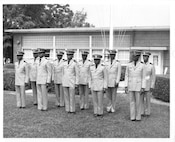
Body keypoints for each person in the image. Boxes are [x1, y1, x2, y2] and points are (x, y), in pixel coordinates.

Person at [125, 50, 146, 121]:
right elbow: (126, 76)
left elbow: (143, 77)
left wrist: (143, 87)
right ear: (132, 56)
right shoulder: (129, 65)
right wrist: (126, 86)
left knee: (138, 102)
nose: (135, 57)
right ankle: (132, 116)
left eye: (137, 56)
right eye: (134, 56)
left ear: (139, 57)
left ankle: (138, 117)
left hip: (138, 85)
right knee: (132, 101)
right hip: (131, 85)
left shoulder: (142, 65)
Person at [140, 51, 156, 116]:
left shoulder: (151, 66)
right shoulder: (140, 64)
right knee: (141, 99)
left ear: (148, 57)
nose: (144, 58)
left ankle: (147, 112)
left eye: (146, 56)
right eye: (143, 56)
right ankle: (141, 111)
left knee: (148, 100)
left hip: (148, 85)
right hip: (141, 85)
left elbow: (153, 77)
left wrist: (152, 86)